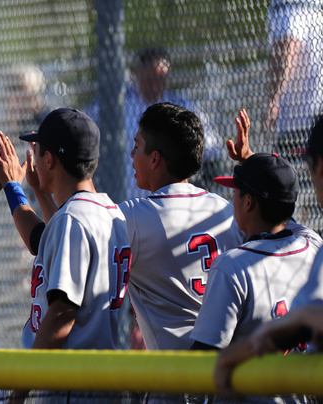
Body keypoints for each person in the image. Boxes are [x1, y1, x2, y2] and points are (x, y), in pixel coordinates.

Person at [0, 108, 131, 351]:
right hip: (100, 372)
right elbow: (45, 240)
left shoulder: (72, 220)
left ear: (50, 160)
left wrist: (27, 382)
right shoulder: (110, 211)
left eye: (37, 150)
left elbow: (61, 315)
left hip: (68, 380)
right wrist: (24, 190)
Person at [116, 103, 249, 350]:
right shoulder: (228, 209)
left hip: (176, 376)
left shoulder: (131, 217)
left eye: (137, 147)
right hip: (229, 370)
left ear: (155, 159)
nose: (132, 156)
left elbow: (56, 241)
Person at [214, 115, 323, 397]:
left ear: (320, 168)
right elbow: (281, 209)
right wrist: (252, 164)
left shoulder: (230, 265)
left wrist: (256, 342)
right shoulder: (311, 243)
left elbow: (311, 316)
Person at [190, 153, 319, 351]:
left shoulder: (231, 265)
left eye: (235, 194)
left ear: (248, 202)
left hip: (259, 381)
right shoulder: (313, 248)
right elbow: (282, 210)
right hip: (308, 379)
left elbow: (205, 354)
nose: (232, 201)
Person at [86, 48, 219, 198]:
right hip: (123, 198)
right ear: (136, 75)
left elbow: (211, 150)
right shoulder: (118, 103)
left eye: (160, 79)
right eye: (149, 80)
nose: (155, 86)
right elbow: (85, 127)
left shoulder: (180, 105)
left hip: (170, 198)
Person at [265, 0, 323, 152]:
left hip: (296, 126)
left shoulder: (287, 5)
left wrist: (274, 99)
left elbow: (287, 46)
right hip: (314, 121)